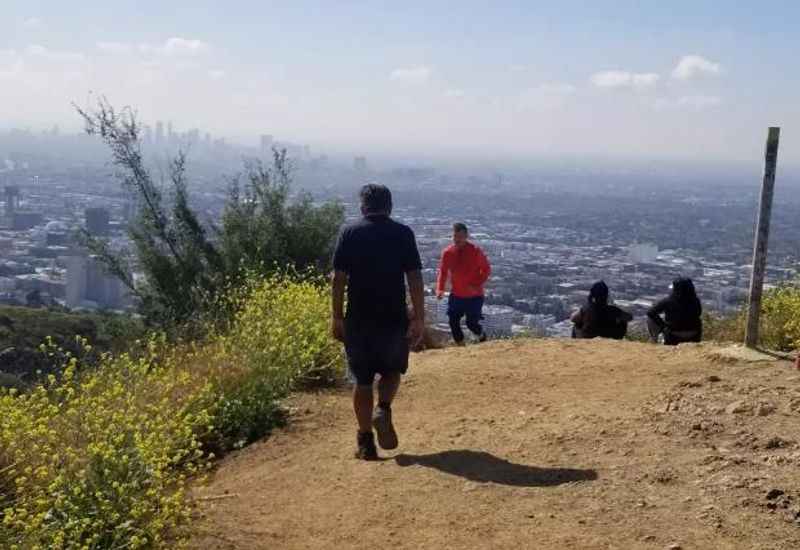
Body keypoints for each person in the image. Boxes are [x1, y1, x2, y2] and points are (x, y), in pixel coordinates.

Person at [331, 183, 425, 461]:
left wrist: (336, 316)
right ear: (390, 206)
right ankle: (383, 408)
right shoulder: (403, 233)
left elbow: (338, 278)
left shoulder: (350, 233)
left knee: (361, 381)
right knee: (391, 370)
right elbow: (415, 277)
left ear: (363, 206)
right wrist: (418, 317)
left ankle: (365, 442)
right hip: (392, 317)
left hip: (358, 319)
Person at [436, 223, 491, 346]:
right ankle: (460, 346)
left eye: (460, 236)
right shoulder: (447, 253)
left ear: (466, 236)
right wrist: (440, 289)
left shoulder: (475, 251)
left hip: (474, 296)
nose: (457, 239)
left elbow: (486, 269)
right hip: (456, 295)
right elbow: (443, 272)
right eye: (455, 236)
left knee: (471, 323)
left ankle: (482, 336)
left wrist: (476, 283)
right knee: (452, 321)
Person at [647, 277, 702, 345]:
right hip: (694, 335)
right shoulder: (696, 301)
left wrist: (663, 326)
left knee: (650, 319)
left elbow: (650, 312)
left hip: (673, 336)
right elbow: (699, 313)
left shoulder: (668, 301)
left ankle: (654, 341)